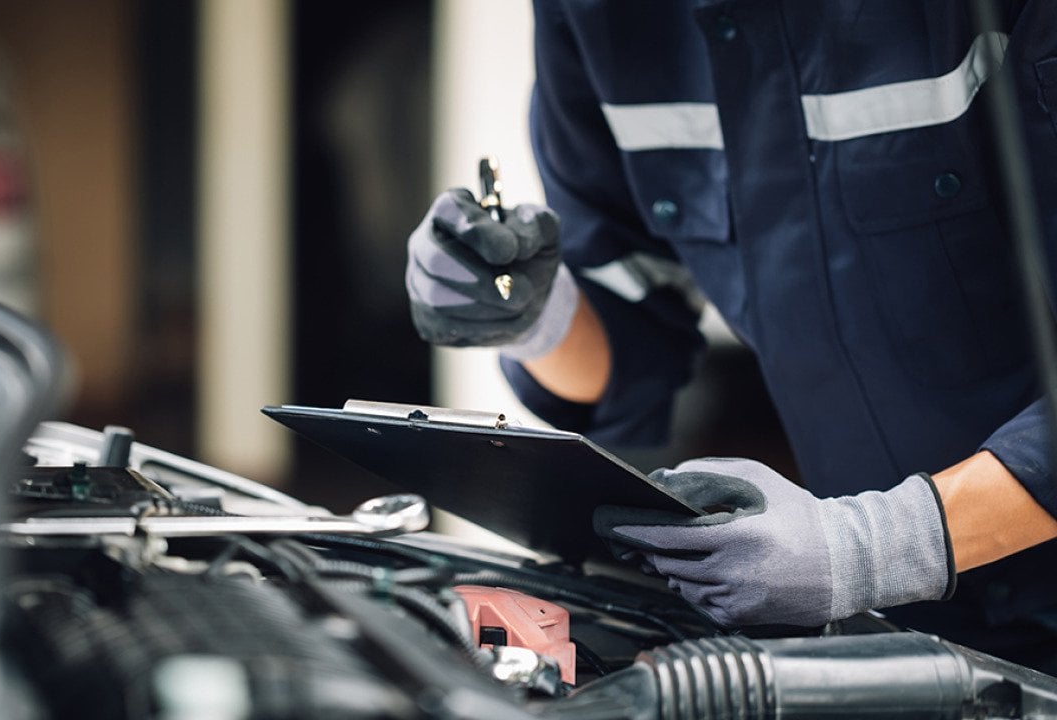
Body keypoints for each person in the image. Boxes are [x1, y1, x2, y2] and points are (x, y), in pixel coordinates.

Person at [405, 2, 1057, 670]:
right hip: (901, 626)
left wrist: (883, 545)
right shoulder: (596, 18)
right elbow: (631, 347)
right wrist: (535, 318)